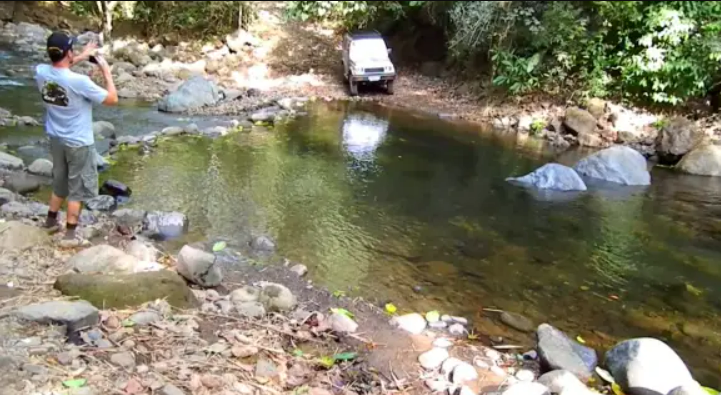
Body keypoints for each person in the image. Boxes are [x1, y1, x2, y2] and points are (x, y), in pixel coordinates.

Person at [34, 31, 118, 239]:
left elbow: (61, 69)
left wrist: (82, 55)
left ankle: (51, 221)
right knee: (77, 189)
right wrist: (107, 72)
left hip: (56, 138)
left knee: (60, 181)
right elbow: (112, 99)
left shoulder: (41, 71)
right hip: (79, 142)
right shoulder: (80, 82)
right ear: (68, 53)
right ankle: (70, 236)